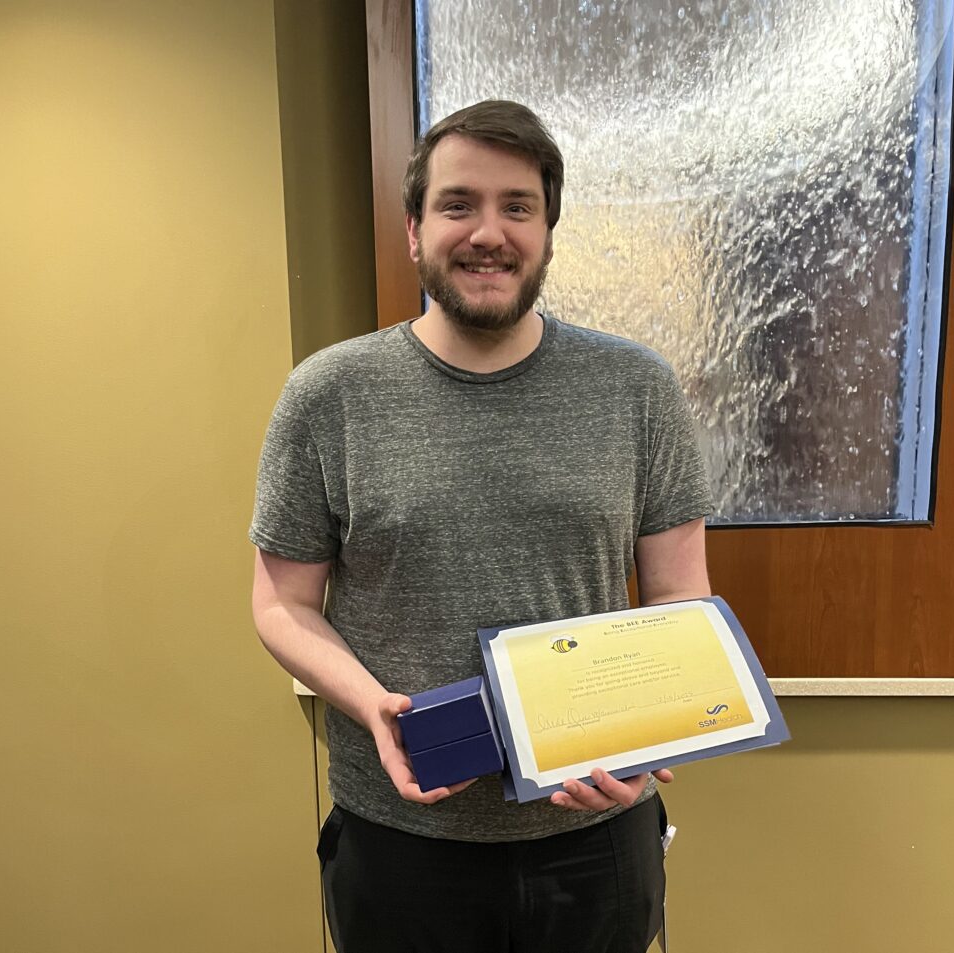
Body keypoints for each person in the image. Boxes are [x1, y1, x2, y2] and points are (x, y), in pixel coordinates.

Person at [250, 100, 713, 953]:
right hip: (400, 840)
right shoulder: (329, 394)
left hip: (596, 835)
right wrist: (370, 706)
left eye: (517, 207)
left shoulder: (636, 390)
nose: (488, 232)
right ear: (414, 230)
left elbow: (681, 595)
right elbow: (282, 602)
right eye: (459, 204)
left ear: (547, 230)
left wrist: (653, 734)